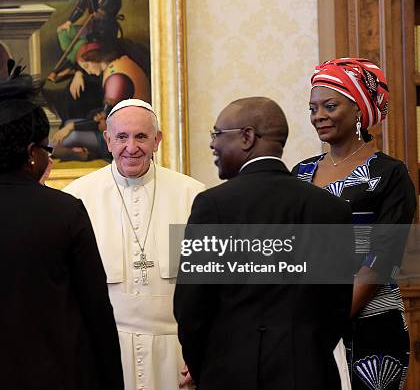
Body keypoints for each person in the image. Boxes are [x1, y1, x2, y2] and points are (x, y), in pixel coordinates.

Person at [0, 60, 124, 390]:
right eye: (47, 148)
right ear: (31, 153)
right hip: (57, 377)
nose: (49, 157)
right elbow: (96, 312)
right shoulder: (66, 212)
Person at [174, 97, 354, 390]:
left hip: (231, 374)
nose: (212, 145)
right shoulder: (331, 209)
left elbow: (191, 308)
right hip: (309, 374)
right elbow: (336, 308)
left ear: (246, 137)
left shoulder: (213, 205)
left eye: (217, 134)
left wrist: (204, 365)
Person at [63, 98, 205, 390]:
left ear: (157, 140)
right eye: (121, 137)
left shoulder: (193, 196)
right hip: (104, 351)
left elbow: (213, 288)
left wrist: (205, 349)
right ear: (107, 140)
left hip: (177, 353)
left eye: (141, 136)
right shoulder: (77, 199)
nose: (131, 147)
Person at [292, 58, 416, 390]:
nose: (319, 115)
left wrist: (330, 317)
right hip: (306, 324)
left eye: (330, 105)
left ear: (359, 108)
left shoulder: (390, 174)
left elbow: (383, 257)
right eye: (313, 108)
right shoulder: (301, 173)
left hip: (372, 323)